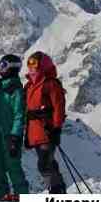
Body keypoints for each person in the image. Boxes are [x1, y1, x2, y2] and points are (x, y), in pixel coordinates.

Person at [25, 51, 67, 194]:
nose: (31, 68)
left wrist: (56, 129)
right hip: (35, 132)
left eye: (34, 64)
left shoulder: (50, 84)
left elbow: (58, 107)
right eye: (29, 64)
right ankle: (57, 189)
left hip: (47, 130)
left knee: (44, 163)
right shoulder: (29, 86)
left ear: (43, 66)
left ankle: (56, 190)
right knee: (48, 163)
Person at [0, 54, 29, 202]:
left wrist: (15, 136)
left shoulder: (16, 90)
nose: (0, 69)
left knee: (13, 166)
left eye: (3, 66)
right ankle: (2, 196)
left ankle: (22, 195)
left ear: (11, 68)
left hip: (10, 136)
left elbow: (19, 115)